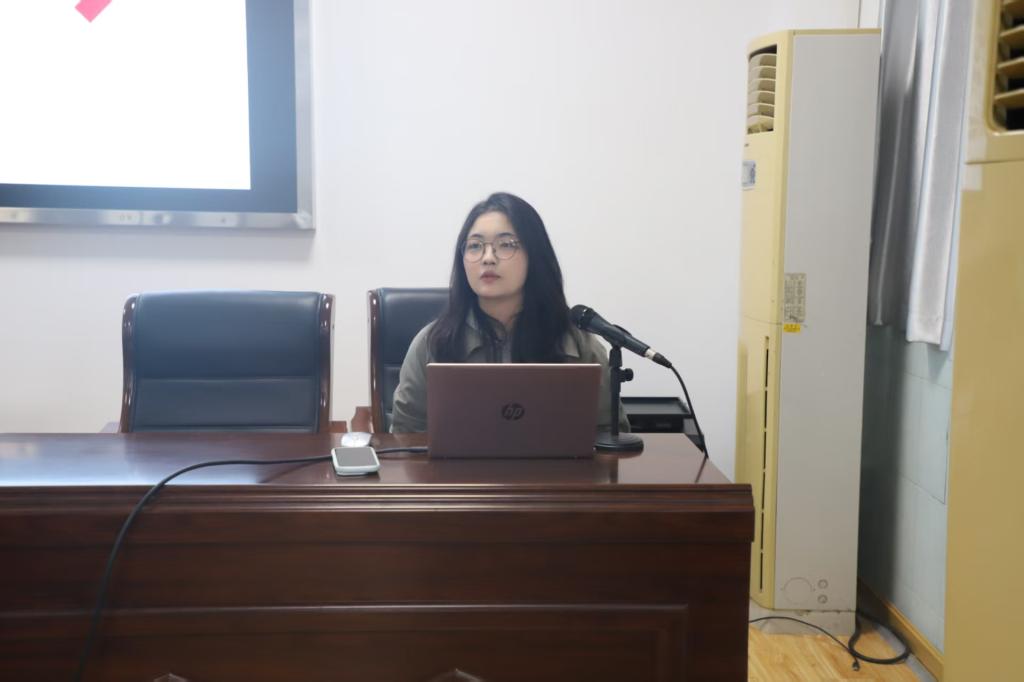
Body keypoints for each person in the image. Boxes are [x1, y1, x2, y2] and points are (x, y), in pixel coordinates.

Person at [390, 191, 630, 434]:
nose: (488, 258)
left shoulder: (578, 344)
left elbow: (611, 436)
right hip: (456, 462)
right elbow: (404, 438)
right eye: (475, 246)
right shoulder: (433, 343)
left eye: (506, 244)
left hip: (555, 462)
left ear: (534, 256)